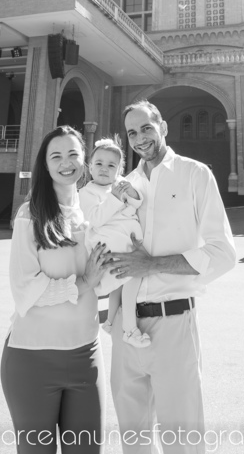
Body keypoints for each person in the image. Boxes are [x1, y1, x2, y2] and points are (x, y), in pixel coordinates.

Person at [106, 100, 237, 454]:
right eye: (132, 132)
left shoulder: (194, 174)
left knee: (182, 441)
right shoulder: (125, 185)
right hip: (124, 328)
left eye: (146, 128)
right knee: (133, 440)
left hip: (173, 321)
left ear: (163, 127)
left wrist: (152, 265)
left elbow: (223, 254)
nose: (140, 138)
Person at [2, 126, 108, 454]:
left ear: (85, 161)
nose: (66, 162)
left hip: (86, 356)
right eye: (56, 155)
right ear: (45, 165)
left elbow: (110, 272)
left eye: (74, 154)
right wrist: (85, 282)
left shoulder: (96, 214)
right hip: (33, 358)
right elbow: (25, 291)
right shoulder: (30, 215)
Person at [78, 137, 150, 348]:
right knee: (133, 276)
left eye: (111, 165)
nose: (104, 169)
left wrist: (132, 195)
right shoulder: (87, 192)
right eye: (99, 163)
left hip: (124, 239)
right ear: (89, 167)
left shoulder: (117, 188)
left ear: (119, 169)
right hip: (108, 243)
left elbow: (130, 208)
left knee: (120, 284)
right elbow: (95, 219)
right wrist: (117, 199)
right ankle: (129, 328)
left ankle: (109, 321)